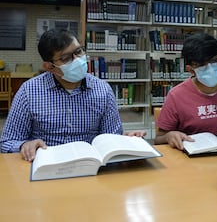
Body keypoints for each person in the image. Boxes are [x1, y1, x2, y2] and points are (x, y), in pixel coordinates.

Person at [0, 29, 146, 161]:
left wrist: (127, 141)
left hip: (90, 167)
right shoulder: (29, 91)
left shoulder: (103, 90)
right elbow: (7, 142)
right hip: (46, 167)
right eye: (66, 58)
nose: (77, 60)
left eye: (79, 51)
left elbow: (111, 137)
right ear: (49, 67)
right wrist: (24, 145)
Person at [154, 32, 217, 150]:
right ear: (190, 70)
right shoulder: (176, 95)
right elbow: (158, 139)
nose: (210, 68)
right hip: (190, 157)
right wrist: (169, 136)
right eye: (202, 65)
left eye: (214, 60)